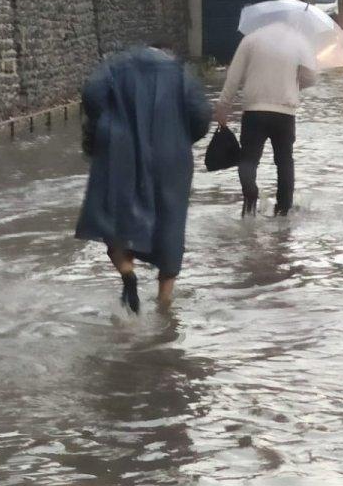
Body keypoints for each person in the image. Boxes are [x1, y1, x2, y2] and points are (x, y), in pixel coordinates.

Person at [74, 43, 212, 314]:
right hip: (170, 156)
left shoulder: (115, 65)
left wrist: (108, 126)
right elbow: (201, 115)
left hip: (120, 152)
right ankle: (164, 303)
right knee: (171, 222)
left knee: (114, 217)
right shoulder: (180, 72)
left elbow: (92, 94)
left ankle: (127, 272)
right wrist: (181, 138)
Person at [214, 22, 317, 217]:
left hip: (254, 111)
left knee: (249, 159)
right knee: (285, 161)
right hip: (285, 113)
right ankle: (283, 209)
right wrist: (293, 85)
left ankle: (250, 196)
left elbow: (233, 78)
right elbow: (312, 77)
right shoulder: (298, 42)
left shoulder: (250, 40)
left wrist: (223, 107)